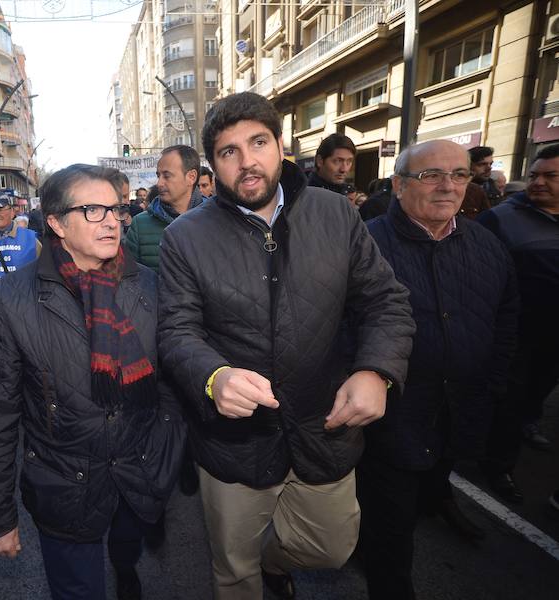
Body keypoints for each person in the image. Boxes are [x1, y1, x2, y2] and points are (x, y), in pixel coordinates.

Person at [157, 92, 415, 599]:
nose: (247, 160)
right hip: (235, 443)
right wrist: (215, 377)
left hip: (325, 426)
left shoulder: (335, 214)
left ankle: (272, 561)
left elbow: (386, 301)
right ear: (213, 166)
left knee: (331, 547)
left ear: (281, 146)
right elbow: (176, 332)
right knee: (233, 570)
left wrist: (377, 371)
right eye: (229, 151)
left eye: (258, 142)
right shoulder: (185, 237)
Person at [0, 164, 185, 600]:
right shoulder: (12, 298)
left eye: (116, 209)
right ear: (56, 223)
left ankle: (126, 570)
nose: (111, 221)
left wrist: (168, 445)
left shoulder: (149, 283)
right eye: (92, 210)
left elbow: (173, 375)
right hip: (63, 484)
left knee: (126, 549)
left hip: (138, 470)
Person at [357, 140, 518, 599]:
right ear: (399, 185)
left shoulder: (486, 244)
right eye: (431, 175)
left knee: (430, 487)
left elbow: (507, 318)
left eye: (460, 175)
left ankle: (435, 503)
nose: (448, 186)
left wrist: (492, 382)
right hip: (392, 421)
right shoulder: (364, 244)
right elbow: (339, 324)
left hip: (462, 410)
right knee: (390, 534)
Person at [477, 143, 559, 500]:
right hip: (516, 333)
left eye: (550, 176)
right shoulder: (502, 218)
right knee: (510, 398)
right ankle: (498, 466)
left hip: (553, 337)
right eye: (534, 175)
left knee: (536, 392)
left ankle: (528, 421)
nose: (539, 183)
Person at [124, 145, 202, 272]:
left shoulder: (217, 219)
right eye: (158, 175)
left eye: (167, 176)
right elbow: (129, 279)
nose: (159, 183)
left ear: (191, 177)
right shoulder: (139, 225)